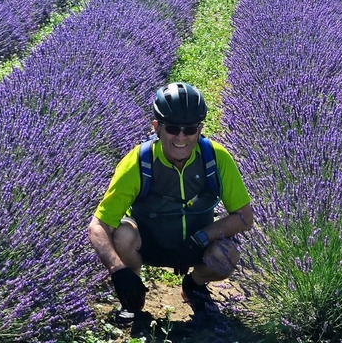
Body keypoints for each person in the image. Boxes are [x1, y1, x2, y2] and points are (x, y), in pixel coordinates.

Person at [88, 82, 254, 324]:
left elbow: (244, 216)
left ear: (200, 130)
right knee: (121, 235)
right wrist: (118, 271)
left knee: (228, 254)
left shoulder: (217, 159)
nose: (181, 137)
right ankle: (132, 296)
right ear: (157, 127)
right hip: (149, 244)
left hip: (195, 246)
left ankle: (194, 285)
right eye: (173, 128)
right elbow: (98, 226)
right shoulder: (138, 162)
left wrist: (201, 238)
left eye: (189, 130)